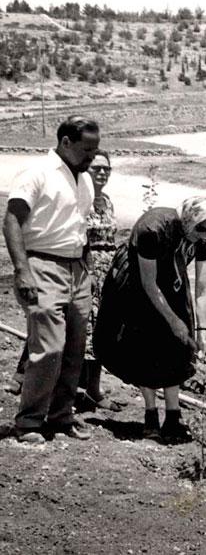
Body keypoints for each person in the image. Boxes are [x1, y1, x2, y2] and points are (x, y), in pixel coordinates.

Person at [3, 116, 99, 443]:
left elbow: (77, 226)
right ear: (66, 143)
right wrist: (22, 270)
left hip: (77, 269)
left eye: (96, 150)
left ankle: (61, 416)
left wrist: (86, 269)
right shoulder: (38, 173)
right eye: (87, 149)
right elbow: (12, 221)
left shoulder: (83, 179)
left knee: (74, 348)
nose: (92, 157)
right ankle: (29, 422)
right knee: (49, 347)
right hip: (43, 265)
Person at [93, 197, 206, 442]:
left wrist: (202, 330)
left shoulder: (201, 239)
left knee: (177, 346)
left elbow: (203, 288)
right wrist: (173, 321)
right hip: (137, 282)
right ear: (189, 219)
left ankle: (173, 414)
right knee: (144, 346)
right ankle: (150, 413)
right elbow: (149, 284)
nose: (205, 235)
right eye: (202, 228)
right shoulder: (154, 229)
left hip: (171, 279)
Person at [79, 149, 122, 411]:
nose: (103, 173)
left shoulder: (108, 201)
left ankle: (94, 389)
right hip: (86, 270)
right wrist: (89, 270)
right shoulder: (79, 199)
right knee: (81, 332)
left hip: (108, 274)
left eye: (107, 169)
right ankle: (73, 390)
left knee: (101, 333)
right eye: (97, 168)